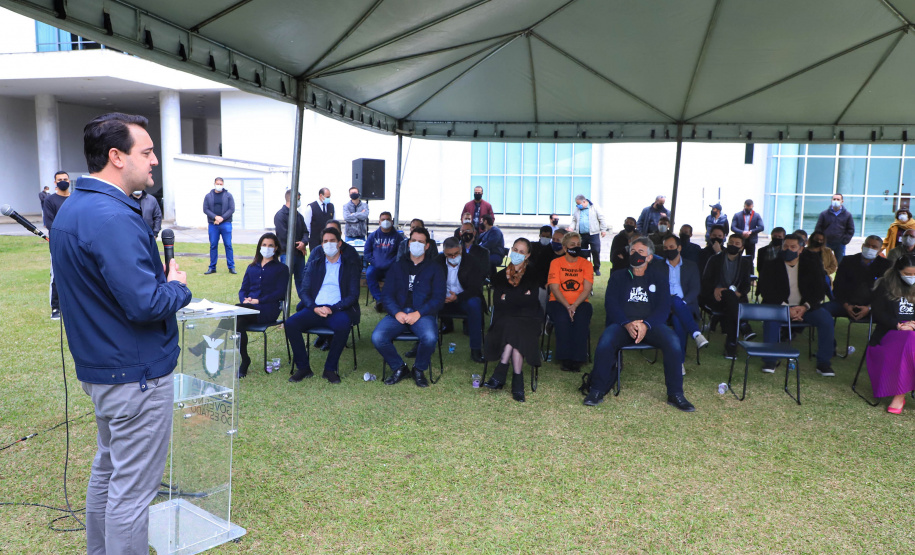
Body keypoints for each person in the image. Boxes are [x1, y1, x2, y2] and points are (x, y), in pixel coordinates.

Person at [51, 112, 192, 554]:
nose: (153, 162)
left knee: (109, 472)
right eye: (146, 152)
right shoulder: (112, 216)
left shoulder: (75, 206)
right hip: (136, 377)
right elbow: (145, 303)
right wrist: (178, 287)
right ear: (116, 157)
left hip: (105, 372)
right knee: (131, 493)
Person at [583, 237, 696, 412]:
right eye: (633, 251)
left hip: (651, 326)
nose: (635, 254)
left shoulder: (658, 278)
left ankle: (676, 394)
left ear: (649, 257)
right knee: (605, 342)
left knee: (673, 343)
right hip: (623, 325)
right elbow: (611, 304)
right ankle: (596, 390)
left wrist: (646, 325)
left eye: (640, 252)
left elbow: (664, 308)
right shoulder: (618, 276)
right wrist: (627, 323)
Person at [372, 227, 445, 387]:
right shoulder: (397, 266)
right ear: (408, 243)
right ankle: (399, 368)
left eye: (421, 242)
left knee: (430, 338)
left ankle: (419, 369)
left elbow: (438, 298)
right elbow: (387, 295)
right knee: (378, 337)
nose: (416, 244)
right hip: (398, 313)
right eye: (414, 241)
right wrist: (396, 312)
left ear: (427, 246)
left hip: (422, 314)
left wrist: (419, 313)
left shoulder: (435, 268)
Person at [287, 226, 361, 384]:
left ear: (339, 243)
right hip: (316, 308)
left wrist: (333, 308)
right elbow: (304, 291)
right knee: (291, 324)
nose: (329, 244)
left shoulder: (350, 265)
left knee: (343, 325)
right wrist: (314, 307)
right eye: (325, 241)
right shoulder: (315, 264)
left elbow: (353, 295)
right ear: (321, 244)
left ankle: (330, 369)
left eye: (332, 241)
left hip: (338, 309)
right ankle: (303, 368)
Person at [757, 234, 834, 376]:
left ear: (801, 249)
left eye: (793, 247)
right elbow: (767, 291)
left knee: (827, 321)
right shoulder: (771, 264)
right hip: (779, 307)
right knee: (771, 321)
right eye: (785, 246)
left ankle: (823, 363)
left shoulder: (813, 264)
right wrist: (787, 309)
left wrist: (804, 307)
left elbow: (819, 290)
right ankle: (770, 360)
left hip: (806, 308)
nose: (788, 249)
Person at [482, 238, 543, 402]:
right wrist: (520, 297)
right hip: (504, 320)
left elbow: (531, 301)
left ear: (528, 255)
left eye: (522, 252)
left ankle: (501, 371)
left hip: (529, 319)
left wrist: (508, 297)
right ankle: (518, 382)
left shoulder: (533, 275)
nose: (517, 254)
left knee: (516, 328)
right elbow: (498, 303)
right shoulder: (500, 276)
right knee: (514, 327)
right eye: (515, 249)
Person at [234, 233, 289, 377]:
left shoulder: (282, 268)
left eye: (270, 245)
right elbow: (243, 289)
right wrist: (244, 299)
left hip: (268, 309)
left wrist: (259, 301)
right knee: (237, 321)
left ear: (276, 248)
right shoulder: (251, 267)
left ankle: (207, 345)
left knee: (235, 313)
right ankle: (245, 360)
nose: (267, 248)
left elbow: (280, 293)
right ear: (259, 247)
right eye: (264, 245)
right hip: (248, 308)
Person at [865, 255, 915, 414]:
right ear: (898, 272)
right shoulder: (885, 285)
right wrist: (898, 326)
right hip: (890, 334)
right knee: (909, 339)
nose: (912, 278)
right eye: (908, 274)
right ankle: (899, 395)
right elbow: (878, 313)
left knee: (911, 338)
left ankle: (900, 395)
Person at [700, 234, 754, 359]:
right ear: (727, 243)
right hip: (716, 297)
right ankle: (742, 328)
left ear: (742, 247)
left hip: (736, 298)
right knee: (731, 302)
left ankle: (731, 346)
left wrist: (739, 293)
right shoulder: (715, 259)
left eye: (737, 244)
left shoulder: (745, 263)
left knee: (731, 302)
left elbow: (747, 284)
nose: (733, 245)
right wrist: (715, 289)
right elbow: (705, 281)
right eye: (731, 242)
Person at [660, 235, 709, 373]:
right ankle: (696, 334)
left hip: (686, 305)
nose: (668, 250)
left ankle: (678, 362)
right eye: (665, 248)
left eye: (671, 247)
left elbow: (695, 289)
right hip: (664, 306)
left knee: (677, 317)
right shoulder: (658, 266)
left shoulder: (691, 266)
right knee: (674, 300)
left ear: (679, 248)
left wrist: (682, 302)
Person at [546, 232, 593, 372]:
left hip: (580, 302)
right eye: (572, 244)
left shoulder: (586, 264)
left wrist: (574, 306)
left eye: (578, 244)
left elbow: (587, 289)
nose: (576, 247)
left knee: (581, 319)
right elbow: (554, 288)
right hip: (558, 302)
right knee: (562, 319)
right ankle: (565, 358)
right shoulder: (556, 263)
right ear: (565, 247)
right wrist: (567, 306)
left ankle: (578, 358)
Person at [436, 237, 487, 363]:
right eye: (449, 255)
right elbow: (430, 284)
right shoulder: (437, 261)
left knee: (475, 304)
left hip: (464, 298)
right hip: (443, 299)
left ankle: (476, 350)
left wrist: (458, 297)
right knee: (427, 303)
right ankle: (423, 343)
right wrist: (440, 296)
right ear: (444, 252)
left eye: (456, 254)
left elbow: (476, 289)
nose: (453, 257)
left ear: (461, 250)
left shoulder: (472, 262)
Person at [824, 236, 891, 324]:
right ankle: (829, 338)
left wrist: (870, 307)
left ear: (879, 250)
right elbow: (837, 287)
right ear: (862, 246)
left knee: (892, 316)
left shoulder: (887, 265)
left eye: (874, 247)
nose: (870, 248)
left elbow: (887, 292)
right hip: (845, 304)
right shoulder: (847, 261)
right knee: (820, 311)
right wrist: (846, 305)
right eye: (867, 245)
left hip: (873, 307)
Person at [42, 170, 71, 320]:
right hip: (58, 243)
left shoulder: (75, 199)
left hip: (75, 244)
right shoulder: (50, 200)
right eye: (60, 179)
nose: (63, 181)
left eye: (65, 179)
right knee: (57, 275)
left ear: (69, 181)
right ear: (55, 183)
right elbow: (49, 223)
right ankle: (56, 308)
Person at [365, 211, 403, 312]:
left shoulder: (398, 237)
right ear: (379, 222)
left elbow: (400, 254)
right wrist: (375, 262)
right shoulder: (372, 236)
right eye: (383, 219)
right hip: (375, 266)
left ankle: (388, 300)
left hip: (391, 266)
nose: (385, 221)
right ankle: (379, 300)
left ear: (392, 221)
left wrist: (390, 263)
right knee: (369, 274)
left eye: (388, 219)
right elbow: (367, 253)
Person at [274, 189, 308, 296]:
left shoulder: (299, 216)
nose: (299, 201)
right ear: (292, 199)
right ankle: (282, 303)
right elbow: (283, 236)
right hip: (286, 253)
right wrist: (299, 245)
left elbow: (306, 232)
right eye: (298, 199)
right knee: (285, 281)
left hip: (299, 254)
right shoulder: (280, 215)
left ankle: (305, 302)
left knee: (302, 280)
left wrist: (303, 243)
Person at [202, 177, 236, 274]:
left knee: (228, 245)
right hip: (213, 224)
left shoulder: (228, 196)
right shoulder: (208, 196)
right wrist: (215, 217)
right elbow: (205, 209)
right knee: (213, 245)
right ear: (214, 184)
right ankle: (212, 267)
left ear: (223, 184)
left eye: (221, 184)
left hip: (226, 223)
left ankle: (231, 267)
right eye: (218, 184)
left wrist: (221, 218)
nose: (219, 185)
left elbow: (231, 209)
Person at [570, 194, 609, 276]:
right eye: (577, 204)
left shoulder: (594, 207)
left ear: (584, 201)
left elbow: (601, 218)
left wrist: (603, 230)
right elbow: (574, 220)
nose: (578, 206)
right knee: (582, 252)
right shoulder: (577, 209)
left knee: (596, 251)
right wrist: (571, 228)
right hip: (581, 235)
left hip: (593, 234)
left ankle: (596, 268)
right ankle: (583, 268)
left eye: (579, 204)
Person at [814, 193, 855, 264]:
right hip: (826, 242)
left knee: (840, 263)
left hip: (840, 244)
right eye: (834, 199)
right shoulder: (824, 214)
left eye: (838, 199)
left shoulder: (847, 215)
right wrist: (820, 240)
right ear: (831, 200)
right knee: (823, 262)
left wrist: (845, 241)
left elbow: (850, 229)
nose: (836, 201)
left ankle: (839, 275)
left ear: (842, 201)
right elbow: (818, 228)